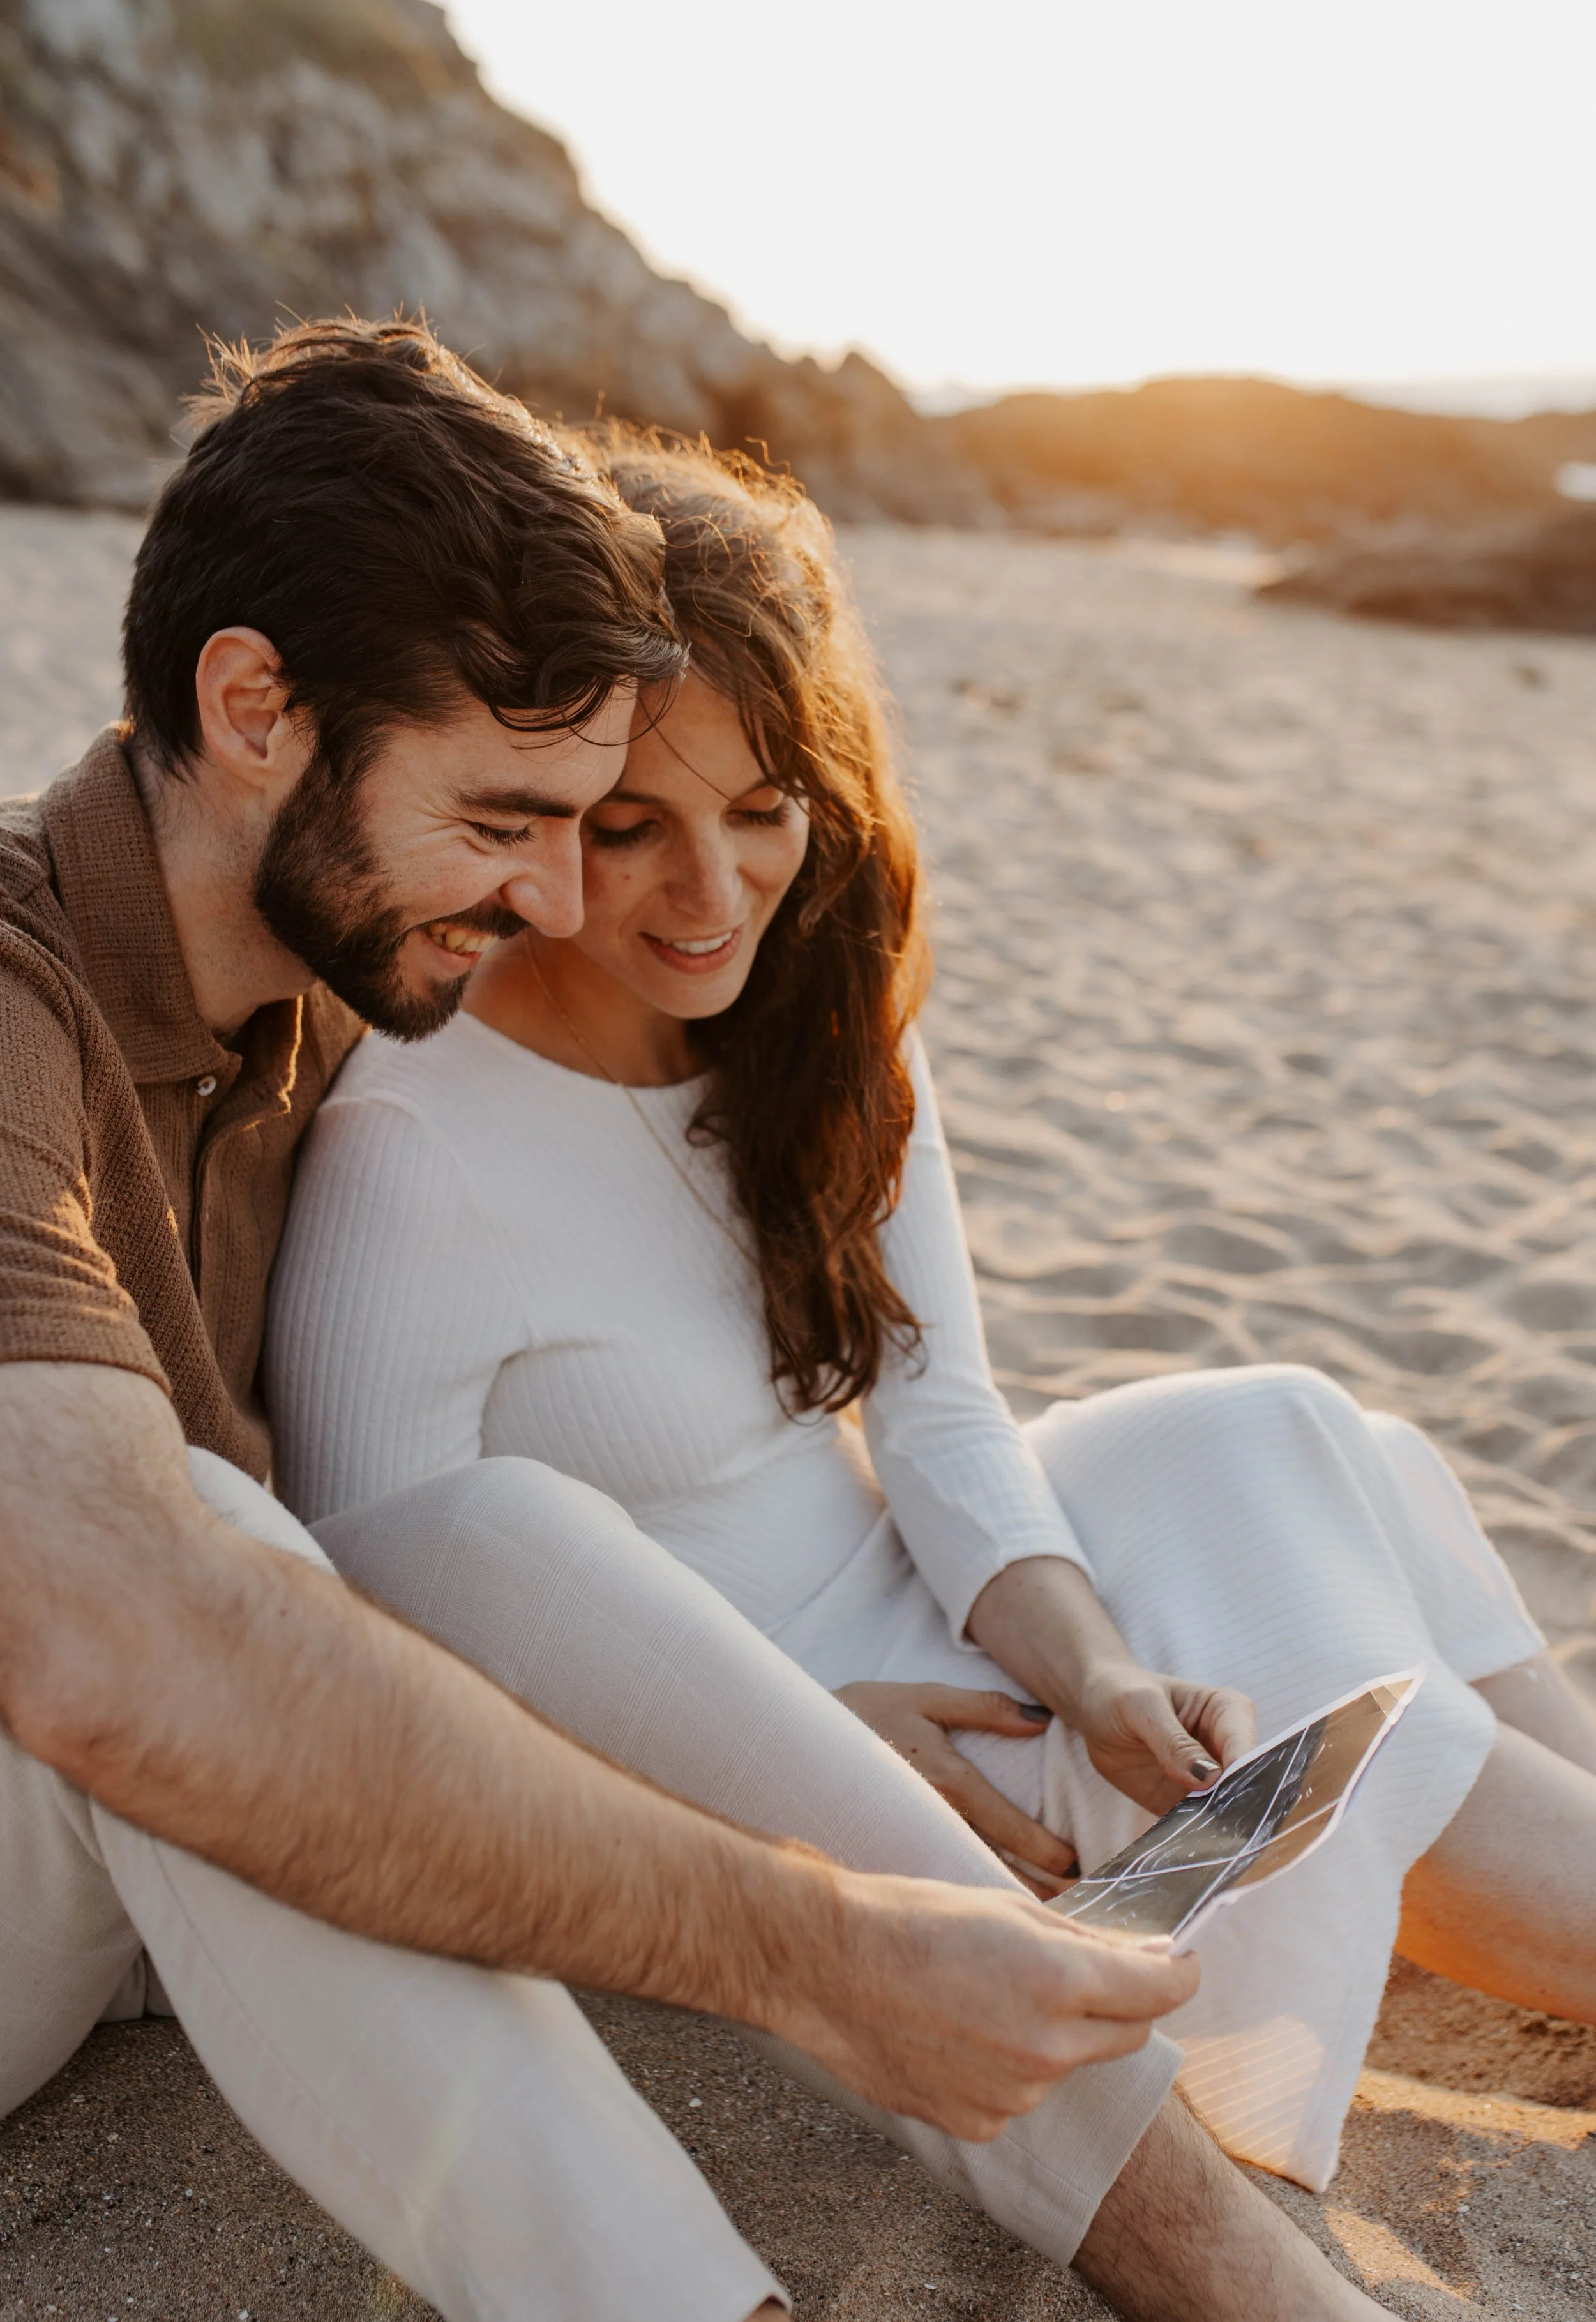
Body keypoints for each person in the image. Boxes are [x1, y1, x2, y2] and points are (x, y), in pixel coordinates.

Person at [0, 315, 1235, 2322]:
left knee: (308, 1620)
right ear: (252, 707)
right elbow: (124, 1641)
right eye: (503, 822)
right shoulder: (15, 1004)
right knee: (230, 1593)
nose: (557, 907)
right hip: (44, 1834)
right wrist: (814, 1943)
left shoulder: (323, 981)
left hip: (162, 1906)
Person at [269, 429, 1596, 2290]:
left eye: (759, 807)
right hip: (750, 1727)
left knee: (1304, 1432)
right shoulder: (418, 1146)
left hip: (942, 1597)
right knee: (1333, 1662)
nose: (707, 889)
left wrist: (1092, 1658)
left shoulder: (817, 1018)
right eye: (628, 822)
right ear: (541, 798)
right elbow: (367, 1626)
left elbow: (942, 1406)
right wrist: (805, 1744)